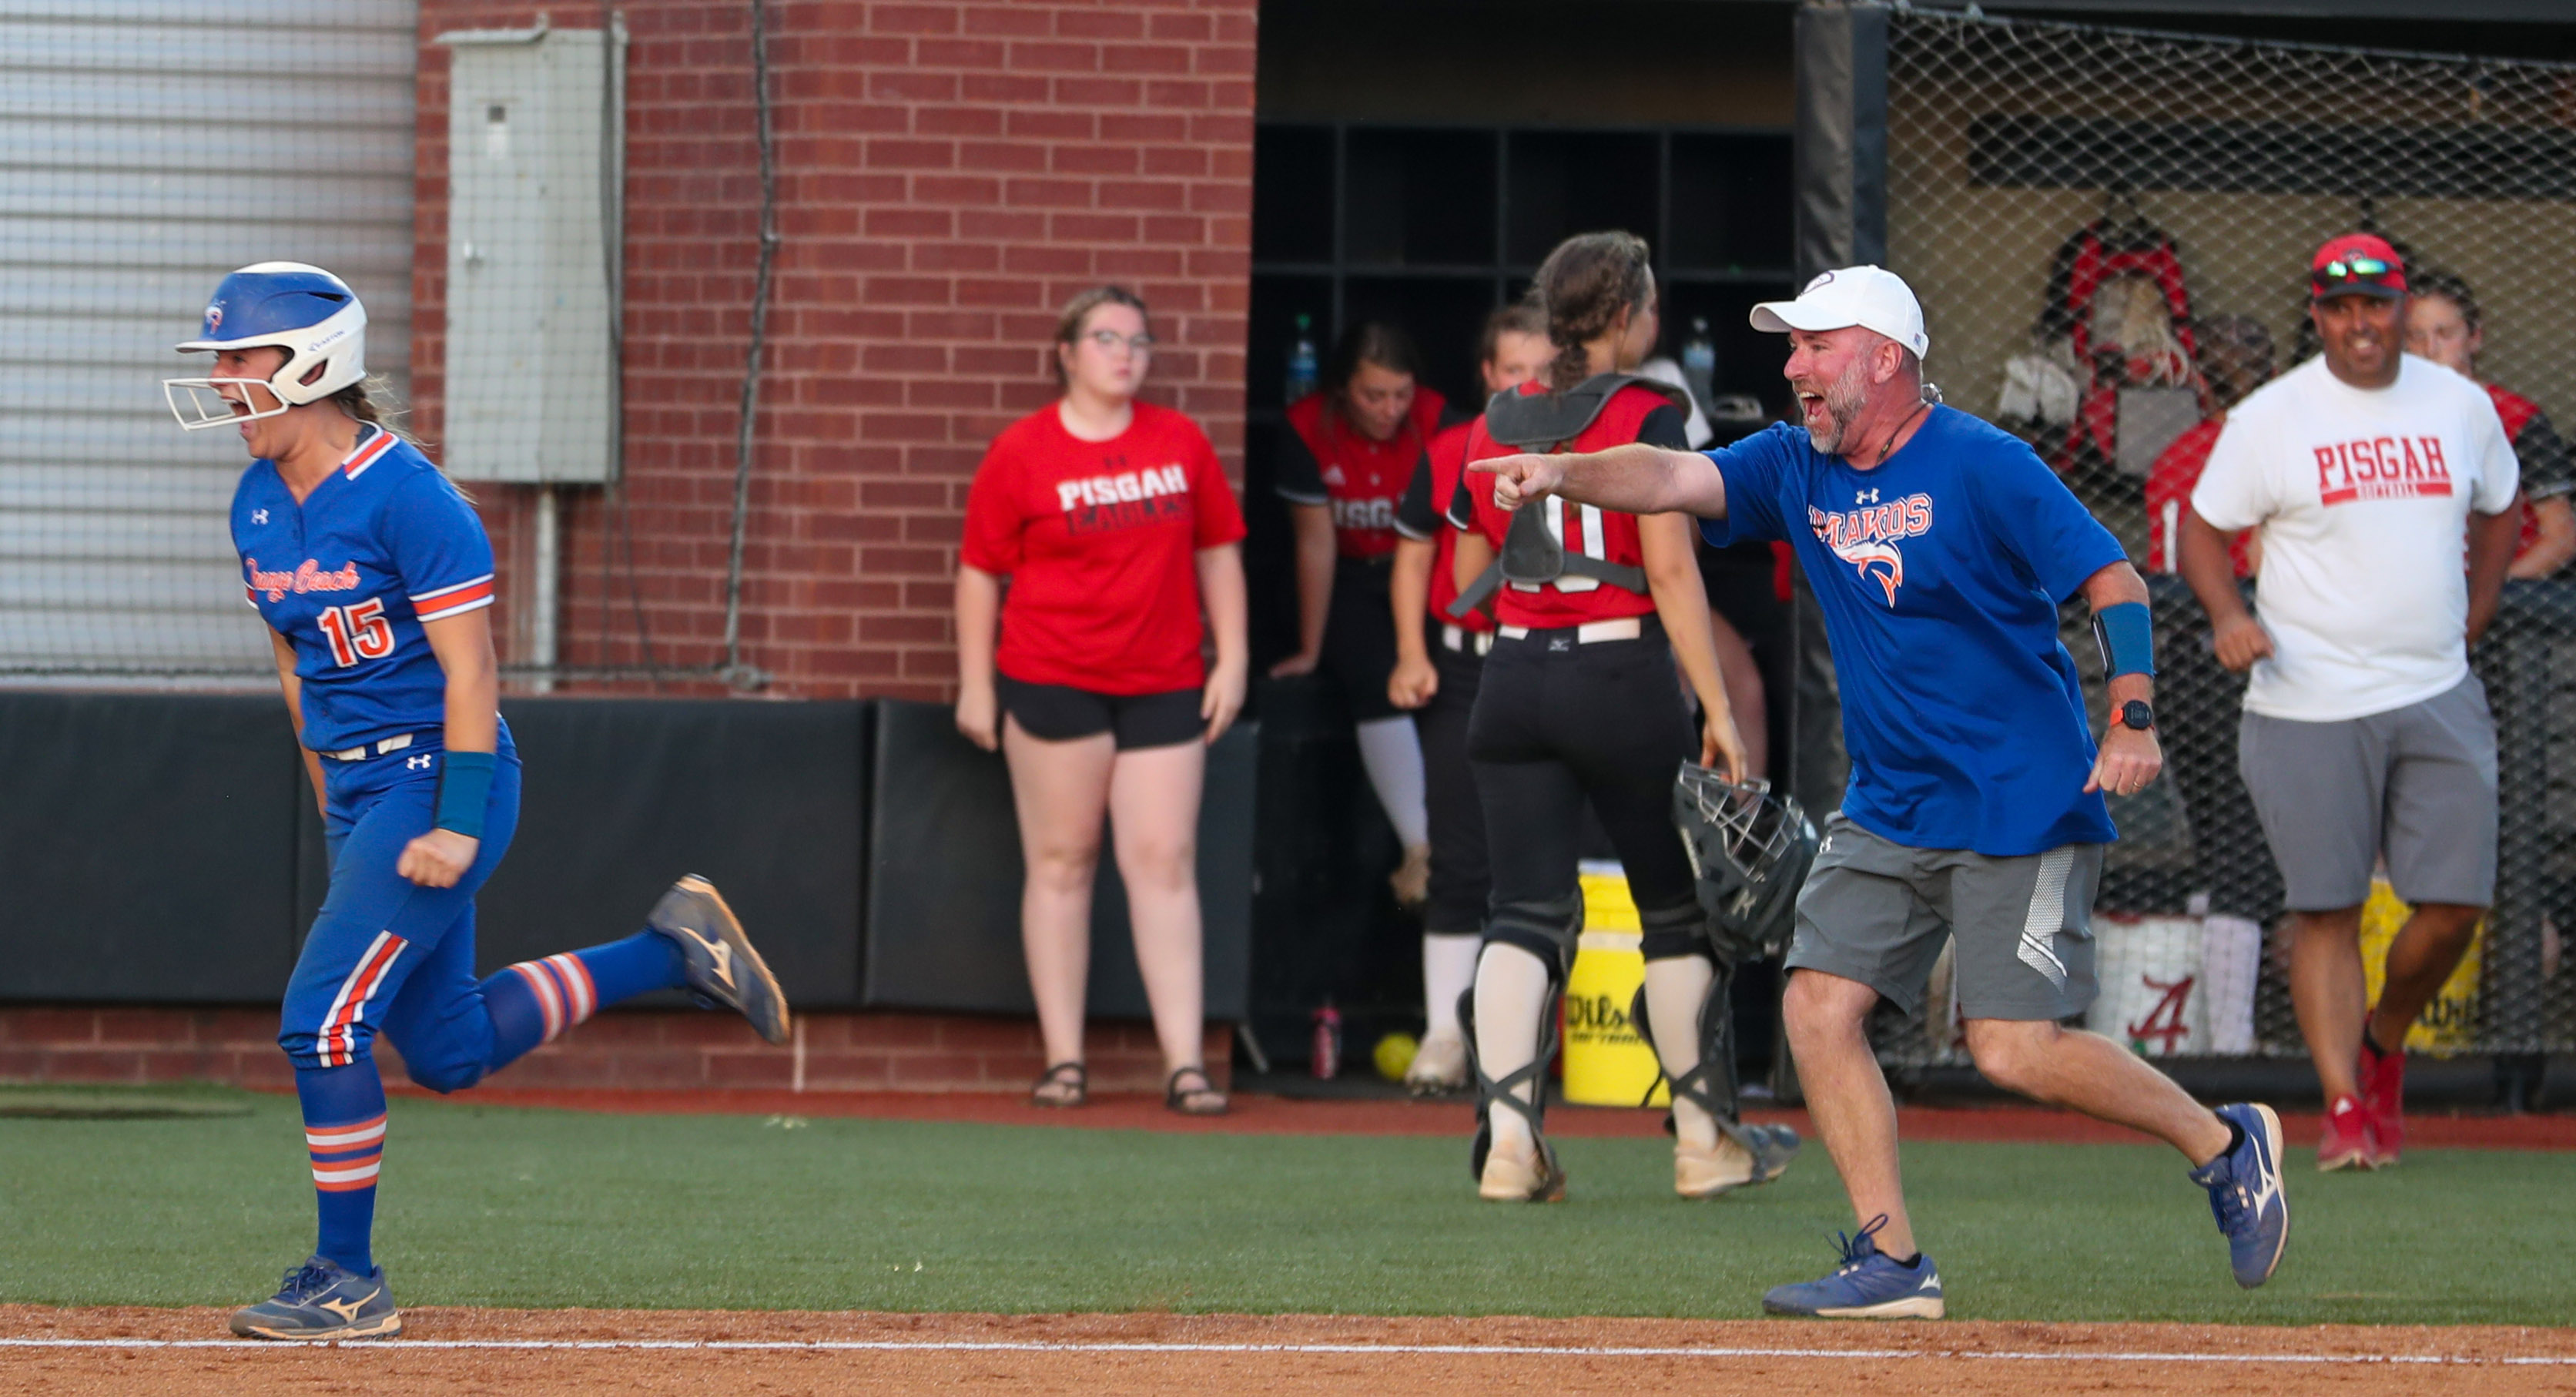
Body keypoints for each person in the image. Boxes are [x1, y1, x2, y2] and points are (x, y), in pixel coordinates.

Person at [1475, 264, 2289, 1315]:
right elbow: (1671, 479)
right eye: (1792, 348)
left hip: (2018, 795)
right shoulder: (1794, 463)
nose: (1794, 365)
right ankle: (1892, 1263)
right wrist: (1558, 471)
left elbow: (2112, 576)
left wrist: (2130, 712)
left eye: (1816, 347)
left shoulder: (1984, 463)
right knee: (1817, 1006)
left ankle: (2226, 1144)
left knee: (2010, 1046)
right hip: (1893, 801)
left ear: (1886, 360)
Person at [163, 263, 789, 1341]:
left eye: (240, 358)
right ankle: (671, 949)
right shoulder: (259, 498)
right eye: (218, 361)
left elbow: (472, 675)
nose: (222, 381)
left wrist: (452, 821)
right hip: (363, 788)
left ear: (313, 363)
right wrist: (332, 803)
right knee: (449, 1049)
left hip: (442, 773)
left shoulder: (412, 498)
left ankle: (347, 1278)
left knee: (321, 1024)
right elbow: (293, 661)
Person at [1443, 231, 1783, 1205]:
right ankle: (1705, 1139)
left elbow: (1470, 571)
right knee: (1675, 912)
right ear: (1630, 313)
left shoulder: (1496, 418)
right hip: (1620, 678)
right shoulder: (1650, 412)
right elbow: (1671, 572)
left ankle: (1510, 1146)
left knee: (1522, 910)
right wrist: (1719, 707)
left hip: (1511, 679)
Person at [2181, 236, 2521, 1171]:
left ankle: (2384, 1043)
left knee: (2454, 902)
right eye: (2340, 307)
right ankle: (2342, 1108)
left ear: (2401, 308)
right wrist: (2225, 613)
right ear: (2319, 314)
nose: (2361, 324)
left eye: (2377, 306)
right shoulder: (2271, 416)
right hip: (2305, 699)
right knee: (2325, 907)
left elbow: (2502, 506)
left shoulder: (2460, 405)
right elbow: (2201, 530)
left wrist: (2478, 611)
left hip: (2436, 688)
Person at [956, 286, 1249, 1118]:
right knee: (1061, 861)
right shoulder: (1022, 450)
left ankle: (1186, 1064)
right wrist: (977, 683)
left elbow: (1219, 550)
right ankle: (1064, 1060)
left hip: (1162, 679)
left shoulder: (1180, 441)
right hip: (1052, 678)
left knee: (1162, 860)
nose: (1125, 353)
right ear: (1067, 352)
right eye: (1106, 337)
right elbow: (980, 570)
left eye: (1138, 340)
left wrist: (1232, 657)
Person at [1386, 303, 1552, 1094]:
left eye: (1541, 369)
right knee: (1455, 854)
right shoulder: (1452, 446)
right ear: (1486, 375)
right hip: (1462, 664)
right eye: (1511, 369)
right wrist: (1412, 653)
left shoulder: (1583, 444)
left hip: (1553, 659)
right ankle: (1445, 1035)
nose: (1527, 384)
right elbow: (1415, 552)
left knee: (1554, 858)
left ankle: (1542, 1043)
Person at [1274, 323, 1445, 906]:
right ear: (1343, 390)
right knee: (1372, 673)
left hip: (1424, 570)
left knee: (1449, 675)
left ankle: (1455, 841)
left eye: (1400, 394)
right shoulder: (1306, 426)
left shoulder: (1438, 418)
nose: (1389, 409)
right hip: (1351, 572)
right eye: (1374, 395)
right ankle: (1420, 851)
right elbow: (1315, 545)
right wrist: (1309, 648)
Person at [2404, 268, 2574, 579]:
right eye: (2416, 337)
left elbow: (2561, 537)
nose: (2430, 351)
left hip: (2509, 593)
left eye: (2444, 334)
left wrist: (2491, 591)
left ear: (2475, 337)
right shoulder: (2390, 420)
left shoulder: (2516, 418)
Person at [2143, 314, 2275, 578]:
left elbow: (2163, 565)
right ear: (2274, 377)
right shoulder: (2291, 448)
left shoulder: (2174, 458)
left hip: (2189, 606)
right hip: (2277, 608)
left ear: (2200, 381)